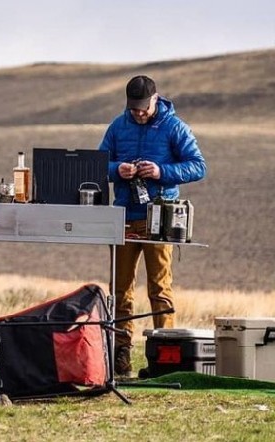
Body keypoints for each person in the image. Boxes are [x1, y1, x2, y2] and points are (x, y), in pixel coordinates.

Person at [98, 75, 207, 377]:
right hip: (123, 218)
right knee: (120, 290)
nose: (139, 113)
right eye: (134, 109)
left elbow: (198, 166)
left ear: (156, 100)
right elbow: (96, 163)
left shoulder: (175, 127)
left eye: (143, 108)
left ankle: (166, 356)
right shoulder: (118, 127)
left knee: (160, 288)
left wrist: (162, 171)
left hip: (160, 220)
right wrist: (116, 170)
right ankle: (121, 357)